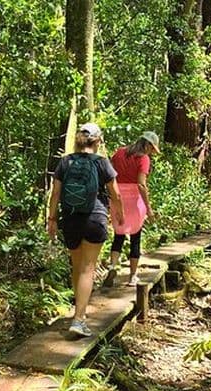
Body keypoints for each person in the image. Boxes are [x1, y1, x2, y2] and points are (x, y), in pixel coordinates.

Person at [47, 123, 124, 337]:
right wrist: (119, 214)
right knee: (87, 268)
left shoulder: (65, 162)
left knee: (77, 266)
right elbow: (115, 193)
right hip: (95, 217)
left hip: (70, 218)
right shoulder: (102, 163)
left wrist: (51, 219)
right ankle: (79, 319)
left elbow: (55, 194)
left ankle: (78, 312)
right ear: (97, 141)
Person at [102, 131, 161, 288]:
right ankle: (133, 276)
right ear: (147, 145)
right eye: (152, 149)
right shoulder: (143, 158)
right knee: (135, 236)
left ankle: (113, 266)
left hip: (117, 196)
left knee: (118, 234)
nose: (151, 152)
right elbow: (141, 184)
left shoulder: (119, 153)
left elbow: (110, 176)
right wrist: (148, 208)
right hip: (134, 199)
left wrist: (110, 200)